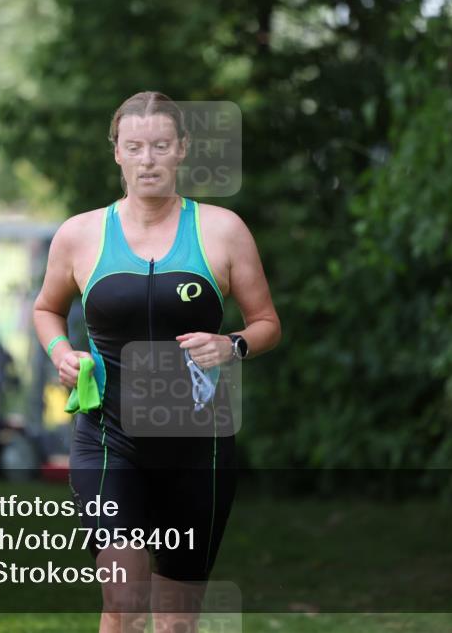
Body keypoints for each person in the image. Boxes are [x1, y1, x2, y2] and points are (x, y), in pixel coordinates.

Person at [33, 91, 280, 632]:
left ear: (182, 149)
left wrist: (232, 345)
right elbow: (46, 309)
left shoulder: (222, 230)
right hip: (108, 440)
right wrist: (62, 353)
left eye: (161, 146)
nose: (148, 159)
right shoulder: (80, 235)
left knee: (176, 621)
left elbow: (266, 323)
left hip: (198, 449)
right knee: (124, 599)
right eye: (135, 146)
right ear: (117, 152)